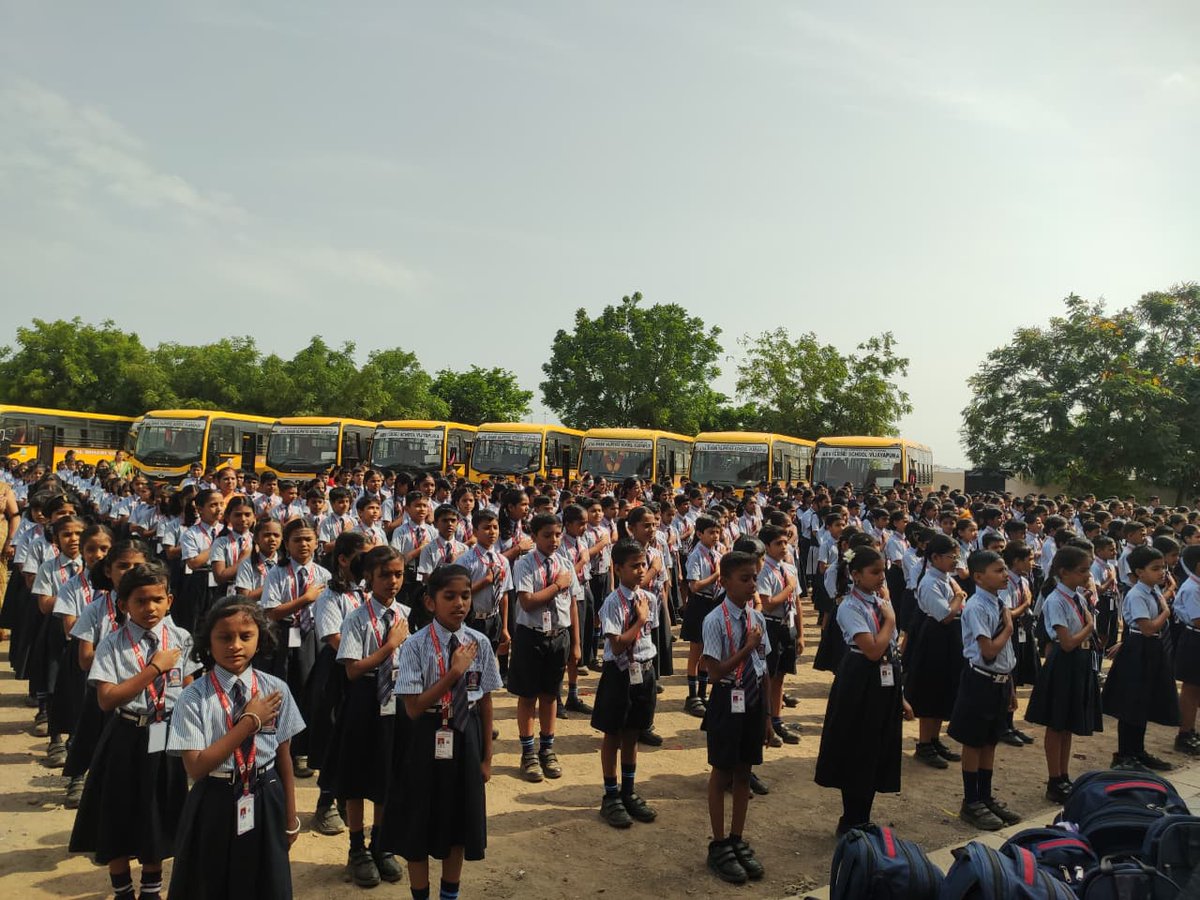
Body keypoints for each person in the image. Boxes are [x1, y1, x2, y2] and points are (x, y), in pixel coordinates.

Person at [68, 561, 199, 900]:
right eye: (140, 601)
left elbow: (188, 685)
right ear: (124, 604)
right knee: (118, 813)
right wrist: (154, 669)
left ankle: (152, 890)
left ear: (170, 600)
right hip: (126, 736)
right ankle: (123, 890)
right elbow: (106, 699)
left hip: (166, 734)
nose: (150, 608)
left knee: (156, 812)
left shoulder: (181, 638)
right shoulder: (112, 644)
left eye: (157, 599)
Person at [166, 601, 305, 900]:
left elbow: (284, 756)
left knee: (265, 883)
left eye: (245, 636)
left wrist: (290, 816)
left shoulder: (275, 689)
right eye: (225, 637)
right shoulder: (193, 697)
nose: (235, 645)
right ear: (208, 642)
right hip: (213, 800)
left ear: (260, 638)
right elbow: (196, 767)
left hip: (265, 793)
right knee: (211, 882)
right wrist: (249, 723)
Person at [386, 564, 501, 900]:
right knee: (418, 822)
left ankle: (449, 894)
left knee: (458, 823)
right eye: (449, 596)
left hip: (465, 733)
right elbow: (413, 707)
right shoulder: (415, 645)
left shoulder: (479, 642)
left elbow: (486, 702)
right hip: (424, 737)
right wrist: (453, 674)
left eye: (465, 596)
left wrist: (487, 758)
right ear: (430, 602)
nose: (459, 604)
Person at [319, 545, 412, 888]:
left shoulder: (405, 613)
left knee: (386, 773)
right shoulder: (356, 618)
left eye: (398, 574)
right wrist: (389, 645)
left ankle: (381, 843)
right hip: (363, 700)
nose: (392, 581)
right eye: (384, 575)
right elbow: (353, 670)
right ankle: (357, 847)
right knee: (357, 776)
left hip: (395, 698)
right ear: (369, 578)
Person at [814, 546, 913, 835]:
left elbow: (890, 649)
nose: (881, 577)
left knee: (876, 748)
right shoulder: (850, 607)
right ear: (856, 575)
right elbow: (871, 649)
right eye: (874, 572)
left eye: (883, 571)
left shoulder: (880, 602)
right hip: (860, 679)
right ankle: (851, 819)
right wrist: (891, 620)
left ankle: (863, 816)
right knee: (857, 747)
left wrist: (900, 695)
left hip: (884, 677)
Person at [700, 551, 769, 886]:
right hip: (727, 698)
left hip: (752, 699)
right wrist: (746, 647)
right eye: (744, 578)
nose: (752, 584)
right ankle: (719, 843)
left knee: (745, 771)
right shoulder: (714, 620)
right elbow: (714, 673)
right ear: (725, 581)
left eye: (754, 577)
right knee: (722, 772)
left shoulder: (758, 619)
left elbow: (763, 667)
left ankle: (737, 837)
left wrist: (767, 717)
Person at [947, 550, 1023, 831]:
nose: (1005, 575)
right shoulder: (977, 606)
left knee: (990, 740)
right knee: (974, 741)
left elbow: (1005, 657)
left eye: (1004, 569)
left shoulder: (999, 602)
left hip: (999, 682)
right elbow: (989, 651)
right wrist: (1009, 628)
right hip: (980, 681)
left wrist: (1010, 687)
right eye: (998, 571)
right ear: (978, 577)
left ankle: (985, 796)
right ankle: (971, 801)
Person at [1025, 545, 1102, 803]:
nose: (1087, 575)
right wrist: (1089, 626)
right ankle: (1054, 779)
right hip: (1064, 661)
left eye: (1088, 570)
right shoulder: (1056, 600)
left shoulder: (1078, 597)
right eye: (1081, 571)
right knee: (1057, 723)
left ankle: (1064, 775)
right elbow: (1067, 642)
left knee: (1068, 724)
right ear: (1063, 572)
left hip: (1079, 661)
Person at [592, 539, 659, 828]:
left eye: (643, 564)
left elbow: (649, 638)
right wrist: (639, 621)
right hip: (619, 674)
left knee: (633, 733)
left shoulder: (649, 598)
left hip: (643, 671)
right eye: (634, 566)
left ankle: (628, 791)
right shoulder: (612, 603)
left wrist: (643, 619)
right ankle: (610, 795)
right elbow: (617, 645)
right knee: (613, 734)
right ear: (618, 569)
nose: (641, 570)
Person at [510, 513, 578, 782]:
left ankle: (547, 749)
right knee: (528, 696)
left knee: (550, 695)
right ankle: (528, 752)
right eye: (547, 535)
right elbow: (527, 602)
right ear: (534, 536)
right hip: (531, 635)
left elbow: (572, 604)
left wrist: (575, 642)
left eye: (558, 535)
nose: (554, 540)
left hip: (558, 635)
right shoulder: (525, 564)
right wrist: (557, 585)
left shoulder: (565, 563)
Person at [261, 519, 330, 780]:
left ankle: (302, 751)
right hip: (284, 634)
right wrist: (305, 599)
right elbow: (270, 612)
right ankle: (280, 748)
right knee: (284, 688)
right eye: (297, 540)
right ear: (287, 544)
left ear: (316, 542)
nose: (303, 544)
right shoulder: (277, 573)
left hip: (313, 635)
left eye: (308, 539)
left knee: (310, 692)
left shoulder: (323, 575)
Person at [310, 530, 368, 835]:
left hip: (366, 671)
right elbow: (334, 638)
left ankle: (347, 798)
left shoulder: (367, 592)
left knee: (357, 736)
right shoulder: (330, 596)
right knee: (334, 736)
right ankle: (326, 802)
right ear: (343, 560)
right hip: (338, 673)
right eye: (361, 557)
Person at [1102, 544, 1180, 771]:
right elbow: (1147, 628)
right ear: (1139, 572)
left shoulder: (1152, 591)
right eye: (1155, 568)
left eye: (1163, 567)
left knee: (1144, 701)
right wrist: (1166, 612)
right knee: (1132, 703)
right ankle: (1124, 755)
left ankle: (1138, 751)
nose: (1162, 572)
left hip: (1151, 647)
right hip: (1140, 649)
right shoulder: (1137, 594)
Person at [903, 533, 966, 769]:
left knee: (944, 689)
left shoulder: (947, 578)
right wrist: (959, 597)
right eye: (951, 557)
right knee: (931, 690)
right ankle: (924, 744)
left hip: (949, 638)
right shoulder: (930, 582)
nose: (955, 561)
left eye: (957, 557)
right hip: (935, 637)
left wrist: (958, 596)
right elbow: (945, 615)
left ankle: (935, 739)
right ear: (936, 557)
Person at [757, 524, 802, 746]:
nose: (784, 547)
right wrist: (789, 588)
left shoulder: (789, 569)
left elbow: (797, 602)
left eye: (786, 542)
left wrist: (800, 634)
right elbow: (767, 604)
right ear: (767, 547)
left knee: (781, 675)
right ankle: (764, 723)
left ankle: (777, 720)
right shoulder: (764, 570)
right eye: (778, 543)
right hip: (771, 625)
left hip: (787, 625)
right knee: (769, 676)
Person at [683, 516, 722, 717]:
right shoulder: (696, 555)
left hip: (713, 603)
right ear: (699, 534)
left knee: (708, 649)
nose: (715, 536)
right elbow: (694, 585)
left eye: (717, 532)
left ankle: (702, 692)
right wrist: (716, 576)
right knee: (696, 650)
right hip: (699, 603)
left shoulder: (717, 553)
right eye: (711, 532)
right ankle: (692, 695)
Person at [999, 542, 1037, 746]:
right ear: (1016, 561)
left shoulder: (1023, 580)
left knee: (1016, 676)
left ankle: (1010, 724)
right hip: (1009, 632)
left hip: (1022, 631)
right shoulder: (1005, 582)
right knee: (1008, 677)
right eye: (1029, 559)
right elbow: (1007, 613)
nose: (1032, 563)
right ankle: (1002, 726)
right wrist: (1026, 604)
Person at [1172, 543, 1200, 757]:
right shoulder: (1192, 589)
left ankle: (1191, 730)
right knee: (1190, 689)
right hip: (1194, 639)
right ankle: (1184, 734)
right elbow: (1198, 620)